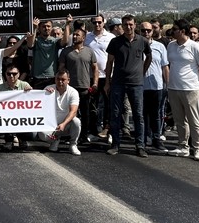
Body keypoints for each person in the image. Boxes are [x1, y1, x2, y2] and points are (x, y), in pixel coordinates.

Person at [104, 15, 152, 157]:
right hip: (118, 82)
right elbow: (109, 62)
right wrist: (107, 81)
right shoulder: (115, 42)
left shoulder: (143, 41)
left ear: (135, 25)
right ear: (121, 26)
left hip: (136, 83)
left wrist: (142, 72)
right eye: (125, 24)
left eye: (130, 24)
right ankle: (115, 145)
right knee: (116, 114)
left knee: (138, 115)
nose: (128, 27)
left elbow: (149, 57)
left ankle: (140, 146)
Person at [166, 19, 199, 162]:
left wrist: (198, 81)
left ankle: (197, 148)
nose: (172, 31)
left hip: (191, 88)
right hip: (173, 88)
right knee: (179, 120)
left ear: (182, 31)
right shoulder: (171, 46)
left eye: (175, 29)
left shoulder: (195, 47)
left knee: (193, 119)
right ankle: (182, 146)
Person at [58, 24, 99, 147]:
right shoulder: (66, 51)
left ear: (84, 38)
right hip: (70, 89)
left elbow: (95, 68)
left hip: (85, 87)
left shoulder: (89, 51)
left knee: (86, 113)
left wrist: (95, 83)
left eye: (78, 35)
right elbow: (61, 68)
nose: (75, 37)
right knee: (70, 113)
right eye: (74, 35)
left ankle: (83, 136)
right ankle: (68, 135)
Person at [140, 21, 170, 151]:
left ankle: (156, 138)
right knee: (143, 114)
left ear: (153, 31)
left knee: (156, 114)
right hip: (140, 86)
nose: (146, 33)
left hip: (157, 86)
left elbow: (165, 67)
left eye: (148, 30)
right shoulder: (136, 45)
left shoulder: (160, 46)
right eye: (143, 31)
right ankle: (145, 137)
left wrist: (167, 85)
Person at [0, 64, 34, 151]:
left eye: (14, 74)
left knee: (31, 134)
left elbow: (34, 100)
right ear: (5, 74)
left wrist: (31, 92)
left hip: (22, 117)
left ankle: (22, 139)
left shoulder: (25, 85)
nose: (11, 76)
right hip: (6, 117)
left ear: (18, 74)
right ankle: (8, 141)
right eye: (9, 74)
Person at [45, 71, 82, 156]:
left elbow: (73, 111)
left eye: (63, 79)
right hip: (51, 124)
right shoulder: (48, 89)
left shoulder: (73, 92)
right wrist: (45, 94)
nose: (60, 81)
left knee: (76, 122)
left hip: (66, 125)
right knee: (43, 135)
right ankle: (55, 140)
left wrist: (63, 124)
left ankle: (73, 144)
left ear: (68, 80)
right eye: (58, 79)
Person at [25, 18, 60, 89]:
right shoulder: (36, 40)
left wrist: (68, 24)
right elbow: (30, 45)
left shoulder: (55, 41)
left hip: (52, 77)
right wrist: (34, 28)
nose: (46, 28)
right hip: (37, 78)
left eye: (48, 26)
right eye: (43, 27)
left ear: (51, 27)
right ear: (39, 28)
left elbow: (65, 42)